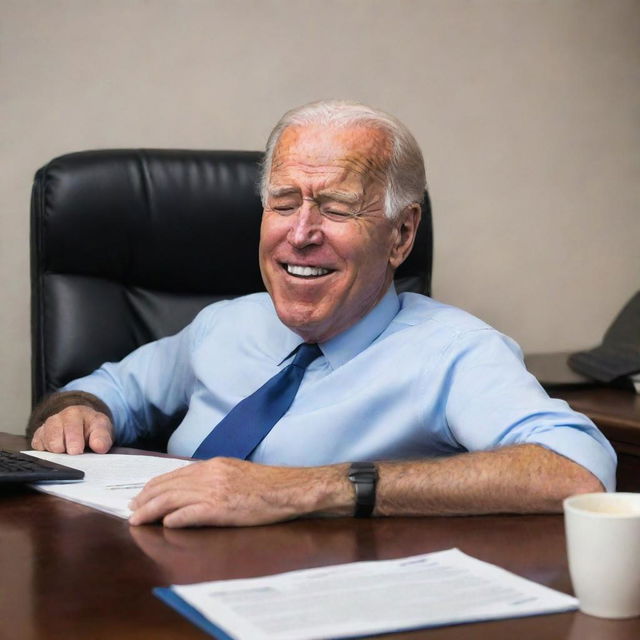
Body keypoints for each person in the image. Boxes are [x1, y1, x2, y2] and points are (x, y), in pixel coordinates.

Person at [29, 100, 616, 528]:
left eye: (335, 207)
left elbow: (578, 471)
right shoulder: (226, 324)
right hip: (144, 581)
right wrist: (75, 411)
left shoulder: (453, 350)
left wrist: (309, 488)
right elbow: (105, 390)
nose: (301, 234)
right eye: (283, 204)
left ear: (401, 234)